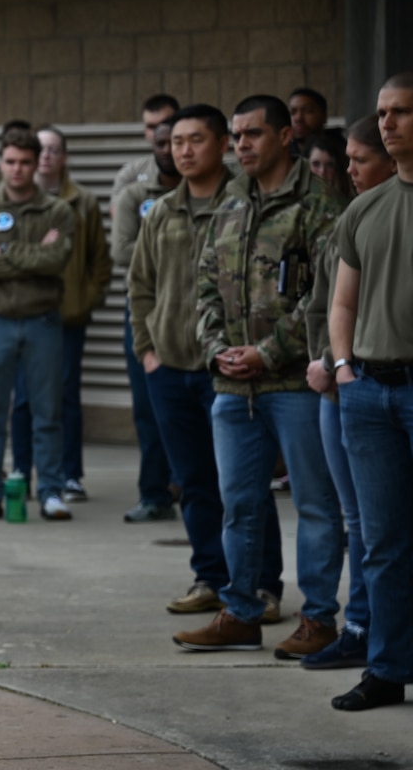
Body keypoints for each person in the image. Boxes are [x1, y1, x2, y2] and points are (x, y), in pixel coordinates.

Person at [174, 95, 341, 654]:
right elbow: (204, 285)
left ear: (286, 135)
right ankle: (241, 610)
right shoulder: (229, 202)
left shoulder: (317, 205)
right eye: (237, 135)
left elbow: (323, 296)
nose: (242, 145)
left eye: (253, 134)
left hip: (294, 384)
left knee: (315, 504)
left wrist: (268, 352)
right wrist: (219, 348)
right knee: (239, 503)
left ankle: (318, 619)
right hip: (232, 387)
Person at [130, 104, 280, 622]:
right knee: (193, 480)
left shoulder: (245, 204)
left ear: (222, 145)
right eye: (176, 142)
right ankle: (210, 578)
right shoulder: (161, 211)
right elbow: (140, 287)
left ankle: (262, 584)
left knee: (244, 485)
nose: (184, 151)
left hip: (230, 369)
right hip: (170, 368)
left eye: (196, 140)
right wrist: (147, 353)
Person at [325, 75, 413, 710]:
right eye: (383, 113)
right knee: (381, 544)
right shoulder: (365, 208)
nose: (388, 124)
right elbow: (343, 301)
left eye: (402, 112)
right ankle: (388, 668)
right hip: (369, 394)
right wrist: (344, 368)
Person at [298, 119, 394, 672]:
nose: (348, 171)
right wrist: (329, 363)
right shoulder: (349, 221)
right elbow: (325, 304)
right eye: (347, 160)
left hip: (379, 381)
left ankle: (379, 628)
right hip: (340, 384)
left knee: (382, 523)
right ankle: (360, 625)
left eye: (359, 160)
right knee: (357, 520)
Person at [0, 129, 75, 521]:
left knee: (47, 412)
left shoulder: (57, 211)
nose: (17, 169)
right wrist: (33, 253)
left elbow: (56, 261)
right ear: (0, 162)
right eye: (10, 161)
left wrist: (7, 251)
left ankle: (50, 491)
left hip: (43, 322)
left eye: (25, 162)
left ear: (36, 164)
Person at [7, 127, 108, 502]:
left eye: (54, 150)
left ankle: (69, 474)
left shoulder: (82, 201)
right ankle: (22, 469)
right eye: (41, 150)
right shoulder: (11, 200)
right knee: (22, 398)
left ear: (64, 157)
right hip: (21, 314)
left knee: (65, 395)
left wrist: (85, 301)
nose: (46, 156)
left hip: (66, 318)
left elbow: (100, 260)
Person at [109, 104, 182, 523]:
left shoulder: (216, 191)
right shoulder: (136, 195)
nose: (170, 151)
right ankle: (154, 493)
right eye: (161, 143)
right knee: (148, 406)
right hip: (146, 312)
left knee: (198, 409)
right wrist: (179, 249)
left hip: (198, 313)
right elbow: (122, 252)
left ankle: (194, 489)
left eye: (175, 142)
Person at [111, 95, 182, 197]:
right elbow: (117, 210)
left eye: (164, 123)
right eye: (151, 127)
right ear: (145, 130)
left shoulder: (197, 167)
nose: (159, 131)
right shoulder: (131, 173)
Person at [287, 86, 328, 155]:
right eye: (293, 112)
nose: (298, 118)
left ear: (324, 117)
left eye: (307, 111)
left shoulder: (342, 152)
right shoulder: (282, 153)